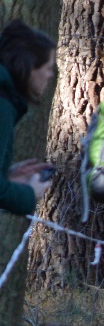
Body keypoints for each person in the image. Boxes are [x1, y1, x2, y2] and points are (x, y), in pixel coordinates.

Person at [0, 21, 56, 219]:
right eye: (48, 67)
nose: (50, 75)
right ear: (31, 66)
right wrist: (29, 194)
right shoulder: (3, 105)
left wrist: (7, 176)